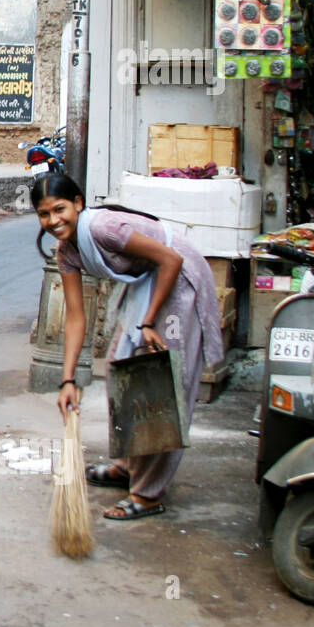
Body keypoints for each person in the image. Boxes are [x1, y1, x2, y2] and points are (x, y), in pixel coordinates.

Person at [33, 172, 224, 521]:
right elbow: (77, 318)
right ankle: (127, 466)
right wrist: (67, 380)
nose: (53, 221)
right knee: (125, 373)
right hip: (147, 284)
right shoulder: (67, 253)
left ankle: (147, 493)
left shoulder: (104, 229)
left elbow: (172, 260)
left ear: (78, 204)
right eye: (44, 214)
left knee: (161, 385)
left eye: (59, 209)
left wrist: (149, 322)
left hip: (178, 281)